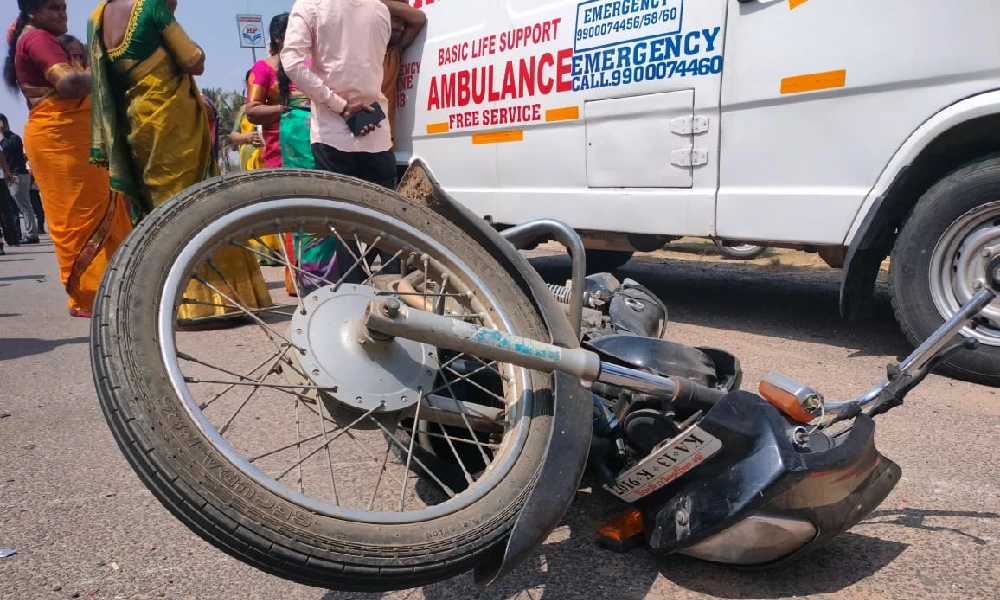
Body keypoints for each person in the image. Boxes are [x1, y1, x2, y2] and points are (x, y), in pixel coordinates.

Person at [89, 0, 272, 322]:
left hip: (137, 123)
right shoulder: (150, 7)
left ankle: (172, 302)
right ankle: (216, 301)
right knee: (199, 204)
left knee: (161, 209)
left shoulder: (97, 17)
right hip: (172, 122)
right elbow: (193, 60)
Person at [4, 0, 133, 318]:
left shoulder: (35, 36)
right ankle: (97, 295)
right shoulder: (37, 38)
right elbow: (69, 84)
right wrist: (108, 71)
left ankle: (113, 291)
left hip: (69, 140)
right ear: (31, 12)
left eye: (63, 6)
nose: (62, 12)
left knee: (101, 209)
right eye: (52, 7)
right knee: (83, 217)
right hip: (62, 143)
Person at [381, 0, 426, 149]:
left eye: (404, 24)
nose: (401, 28)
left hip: (383, 143)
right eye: (396, 20)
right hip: (350, 143)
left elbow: (418, 18)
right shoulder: (361, 51)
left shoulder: (394, 53)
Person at [0, 113, 40, 244]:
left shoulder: (13, 138)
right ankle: (18, 233)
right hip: (11, 176)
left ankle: (31, 234)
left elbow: (6, 150)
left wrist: (1, 135)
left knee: (24, 206)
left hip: (18, 175)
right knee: (13, 207)